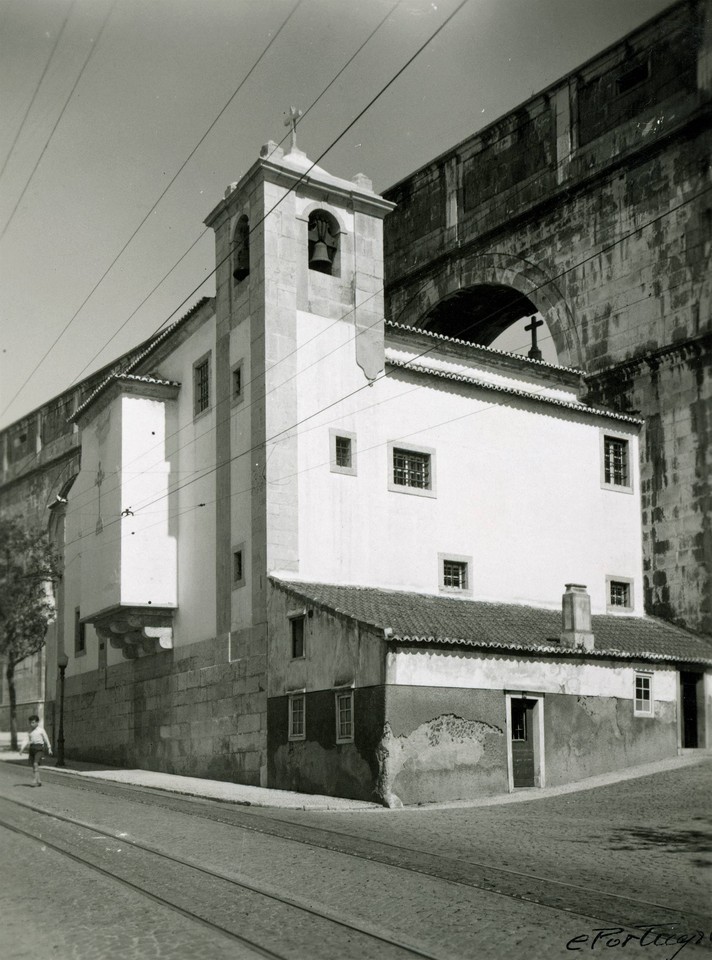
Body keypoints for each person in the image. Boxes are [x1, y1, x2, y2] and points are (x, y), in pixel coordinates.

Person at [20, 714, 52, 787]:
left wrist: (49, 747)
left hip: (39, 749)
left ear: (37, 722)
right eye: (30, 723)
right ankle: (39, 780)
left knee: (35, 764)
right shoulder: (29, 731)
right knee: (34, 766)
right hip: (32, 748)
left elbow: (46, 738)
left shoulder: (41, 730)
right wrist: (22, 749)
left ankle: (35, 779)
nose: (31, 724)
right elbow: (26, 740)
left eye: (33, 722)